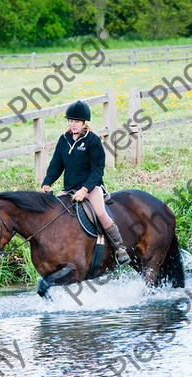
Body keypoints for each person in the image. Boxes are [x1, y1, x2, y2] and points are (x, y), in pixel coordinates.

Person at [40, 100, 131, 265]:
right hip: (69, 189)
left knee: (101, 213)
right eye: (71, 121)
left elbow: (97, 170)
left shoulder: (92, 141)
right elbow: (55, 166)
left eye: (76, 122)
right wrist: (46, 184)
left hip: (91, 188)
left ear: (84, 123)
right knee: (54, 213)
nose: (73, 125)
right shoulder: (64, 140)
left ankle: (119, 248)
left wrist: (84, 190)